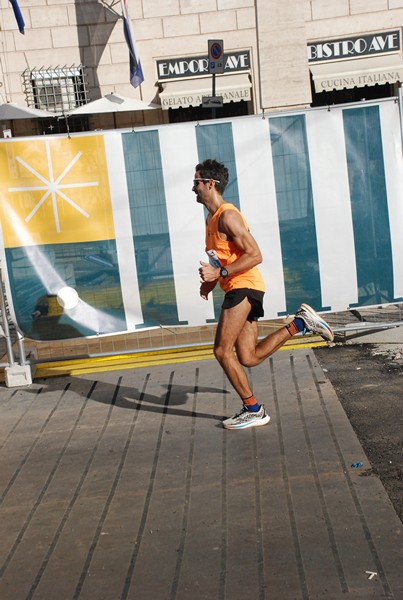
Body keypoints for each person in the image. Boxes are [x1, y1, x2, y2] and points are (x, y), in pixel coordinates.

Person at [194, 158, 334, 430]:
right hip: (240, 286)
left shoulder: (227, 215)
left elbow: (255, 254)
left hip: (243, 286)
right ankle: (301, 323)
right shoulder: (212, 219)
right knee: (248, 357)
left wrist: (221, 275)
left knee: (222, 351)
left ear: (210, 184)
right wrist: (211, 281)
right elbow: (223, 258)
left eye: (196, 182)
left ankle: (253, 409)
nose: (193, 188)